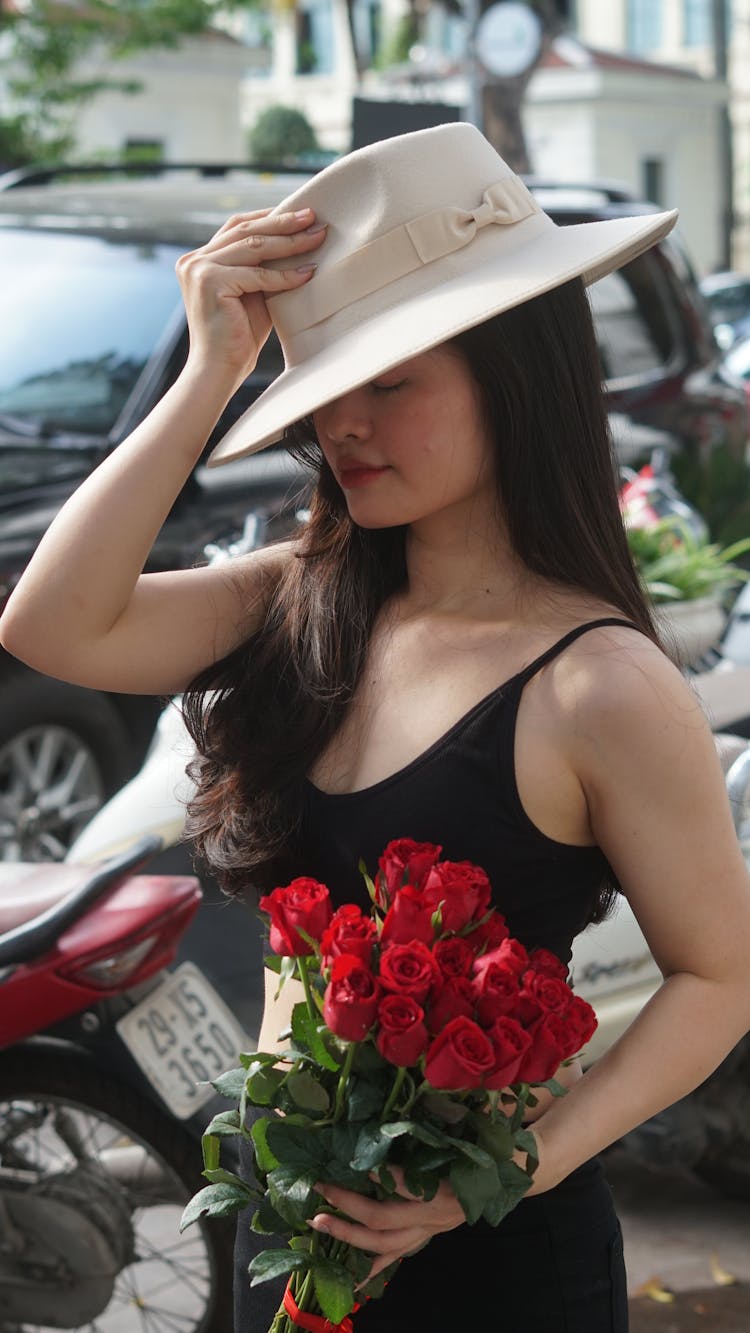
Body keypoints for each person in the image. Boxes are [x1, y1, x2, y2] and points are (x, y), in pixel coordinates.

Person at [2, 123, 750, 1333]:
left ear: (515, 372)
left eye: (390, 379)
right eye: (322, 387)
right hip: (283, 1222)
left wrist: (501, 1173)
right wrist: (208, 374)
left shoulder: (598, 683)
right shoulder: (297, 597)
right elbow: (52, 627)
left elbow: (722, 974)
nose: (342, 422)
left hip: (496, 1261)